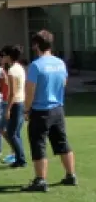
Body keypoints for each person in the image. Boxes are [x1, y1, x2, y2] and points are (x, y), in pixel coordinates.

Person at [22, 30, 77, 192]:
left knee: (38, 144)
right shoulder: (60, 63)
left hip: (41, 111)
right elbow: (64, 83)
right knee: (62, 143)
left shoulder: (36, 65)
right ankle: (70, 175)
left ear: (37, 45)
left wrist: (26, 110)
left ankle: (40, 180)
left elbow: (30, 90)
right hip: (57, 109)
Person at [2, 45, 27, 168]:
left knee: (11, 133)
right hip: (21, 102)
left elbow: (12, 93)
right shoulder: (20, 68)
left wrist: (8, 109)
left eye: (4, 56)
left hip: (16, 103)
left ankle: (21, 159)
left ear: (9, 56)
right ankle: (19, 158)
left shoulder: (12, 71)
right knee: (16, 133)